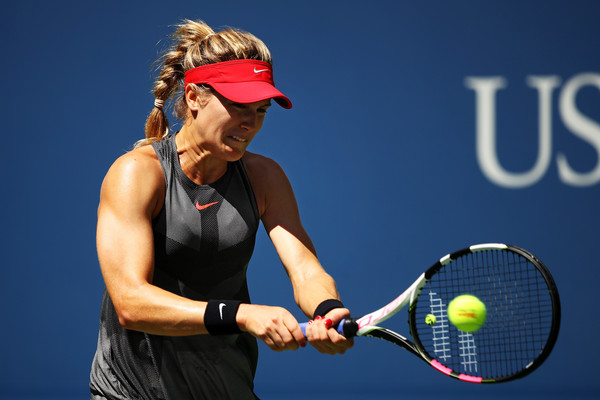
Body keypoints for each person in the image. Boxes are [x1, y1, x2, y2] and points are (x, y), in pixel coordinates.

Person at [89, 19, 353, 400]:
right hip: (131, 393)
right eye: (238, 106)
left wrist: (327, 310)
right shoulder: (137, 173)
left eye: (261, 110)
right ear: (194, 97)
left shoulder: (265, 176)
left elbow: (305, 269)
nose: (250, 123)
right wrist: (242, 315)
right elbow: (131, 301)